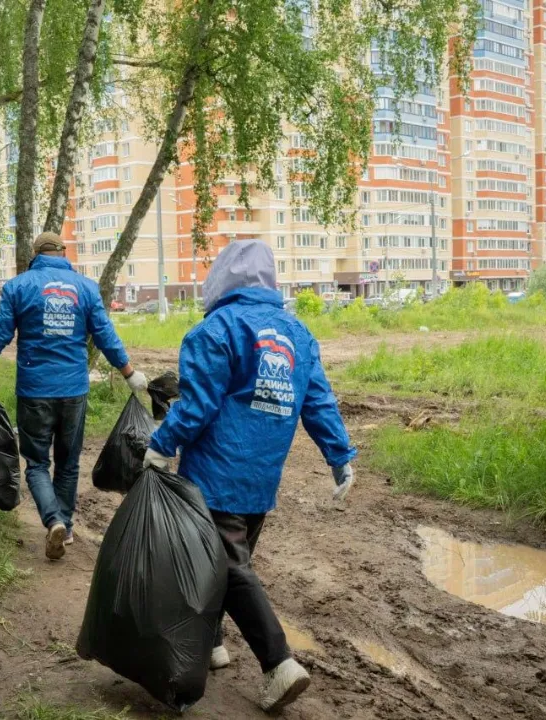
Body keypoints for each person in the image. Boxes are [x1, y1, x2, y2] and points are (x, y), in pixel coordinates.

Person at [143, 240, 356, 713]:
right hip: (261, 481)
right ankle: (213, 643)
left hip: (216, 475)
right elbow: (318, 402)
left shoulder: (215, 330)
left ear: (220, 279)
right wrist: (339, 458)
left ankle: (279, 664)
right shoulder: (298, 334)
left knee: (231, 569)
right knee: (225, 566)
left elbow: (197, 405)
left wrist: (160, 446)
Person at [0, 232, 147, 560]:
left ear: (34, 255)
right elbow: (105, 335)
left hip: (34, 390)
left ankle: (53, 520)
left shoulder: (18, 287)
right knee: (69, 463)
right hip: (74, 390)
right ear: (64, 252)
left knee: (36, 463)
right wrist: (129, 373)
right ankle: (66, 527)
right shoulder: (85, 288)